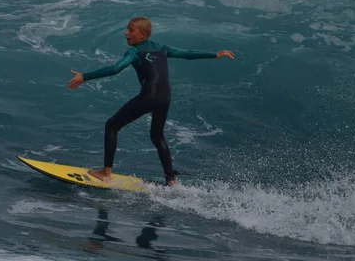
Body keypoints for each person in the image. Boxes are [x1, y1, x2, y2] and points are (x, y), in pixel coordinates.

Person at [67, 17, 234, 186]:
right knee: (157, 136)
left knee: (112, 125)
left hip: (149, 96)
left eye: (131, 30)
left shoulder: (135, 52)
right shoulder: (161, 48)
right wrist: (216, 54)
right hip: (165, 97)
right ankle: (171, 180)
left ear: (142, 34)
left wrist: (84, 77)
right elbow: (186, 53)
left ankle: (105, 173)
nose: (126, 33)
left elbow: (115, 69)